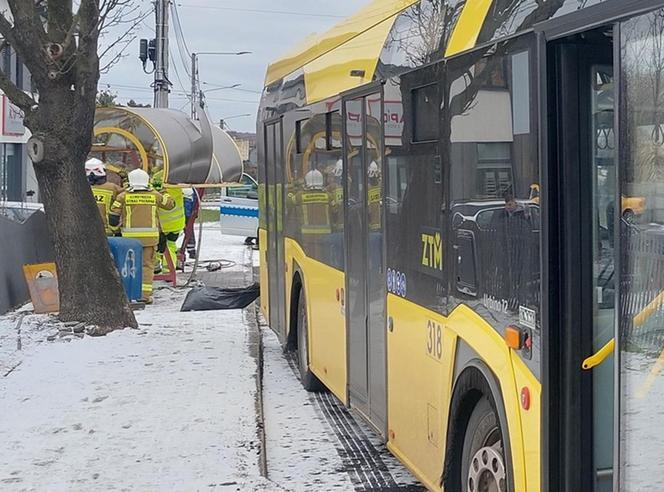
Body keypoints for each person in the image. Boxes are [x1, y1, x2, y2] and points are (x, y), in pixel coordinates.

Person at [109, 169, 175, 303]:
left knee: (127, 266)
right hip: (149, 239)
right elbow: (170, 205)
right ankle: (144, 296)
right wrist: (162, 191)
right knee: (147, 266)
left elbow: (113, 216)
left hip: (129, 240)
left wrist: (115, 229)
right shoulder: (155, 195)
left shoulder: (123, 196)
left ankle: (127, 294)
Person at [152, 170, 186, 274]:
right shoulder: (177, 182)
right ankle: (169, 270)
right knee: (171, 245)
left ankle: (156, 266)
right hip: (176, 224)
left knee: (157, 246)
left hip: (162, 225)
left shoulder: (157, 184)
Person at [85, 158, 123, 236]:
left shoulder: (80, 188)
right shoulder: (112, 188)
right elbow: (128, 192)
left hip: (86, 230)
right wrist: (122, 174)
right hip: (107, 231)